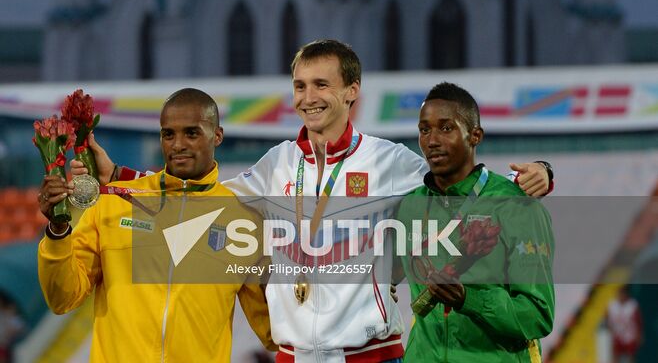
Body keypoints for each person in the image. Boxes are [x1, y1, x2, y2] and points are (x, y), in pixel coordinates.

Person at [79, 41, 554, 363]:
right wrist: (124, 177)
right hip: (293, 356)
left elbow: (460, 174)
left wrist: (535, 174)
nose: (309, 97)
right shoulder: (276, 164)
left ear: (352, 91)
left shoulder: (388, 161)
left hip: (369, 354)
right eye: (301, 86)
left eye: (321, 85)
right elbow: (204, 196)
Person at [37, 88, 274, 362]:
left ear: (217, 135)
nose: (178, 145)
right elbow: (62, 298)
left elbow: (272, 332)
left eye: (192, 133)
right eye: (168, 134)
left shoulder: (243, 221)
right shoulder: (116, 201)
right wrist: (57, 232)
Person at [399, 82, 554, 363]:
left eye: (446, 128)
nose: (432, 140)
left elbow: (538, 316)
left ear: (475, 135)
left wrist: (468, 300)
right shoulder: (409, 205)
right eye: (425, 130)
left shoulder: (516, 206)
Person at [606, 286, 643, 363]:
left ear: (627, 295)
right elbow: (607, 319)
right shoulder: (612, 305)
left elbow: (638, 322)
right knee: (615, 355)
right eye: (619, 294)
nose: (621, 296)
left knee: (631, 356)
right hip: (617, 334)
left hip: (629, 335)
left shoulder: (632, 305)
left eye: (623, 294)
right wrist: (610, 330)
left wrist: (639, 335)